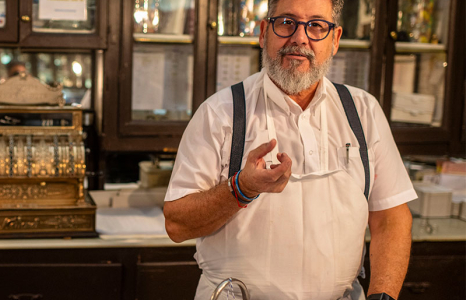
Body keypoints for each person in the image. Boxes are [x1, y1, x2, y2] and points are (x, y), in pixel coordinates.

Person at [163, 0, 415, 299]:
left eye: (316, 26)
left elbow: (391, 217)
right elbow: (177, 224)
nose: (299, 37)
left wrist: (382, 295)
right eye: (286, 22)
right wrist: (241, 189)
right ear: (263, 32)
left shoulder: (362, 111)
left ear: (334, 40)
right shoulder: (221, 113)